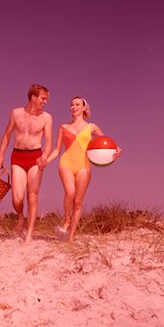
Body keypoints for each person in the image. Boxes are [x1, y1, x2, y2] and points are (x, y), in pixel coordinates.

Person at [46, 96, 122, 242]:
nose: (73, 107)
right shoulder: (63, 127)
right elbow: (57, 150)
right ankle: (66, 221)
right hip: (66, 163)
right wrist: (45, 161)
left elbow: (106, 143)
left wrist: (117, 148)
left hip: (84, 166)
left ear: (84, 108)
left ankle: (71, 237)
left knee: (78, 202)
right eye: (71, 105)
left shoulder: (92, 127)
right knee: (70, 191)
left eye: (77, 104)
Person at [0, 84, 53, 244]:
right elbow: (7, 135)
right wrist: (0, 155)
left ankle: (29, 235)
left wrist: (45, 156)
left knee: (32, 197)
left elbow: (48, 142)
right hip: (18, 156)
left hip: (35, 158)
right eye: (43, 98)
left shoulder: (46, 117)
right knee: (17, 198)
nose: (45, 102)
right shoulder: (16, 113)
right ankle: (21, 216)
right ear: (33, 97)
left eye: (46, 99)